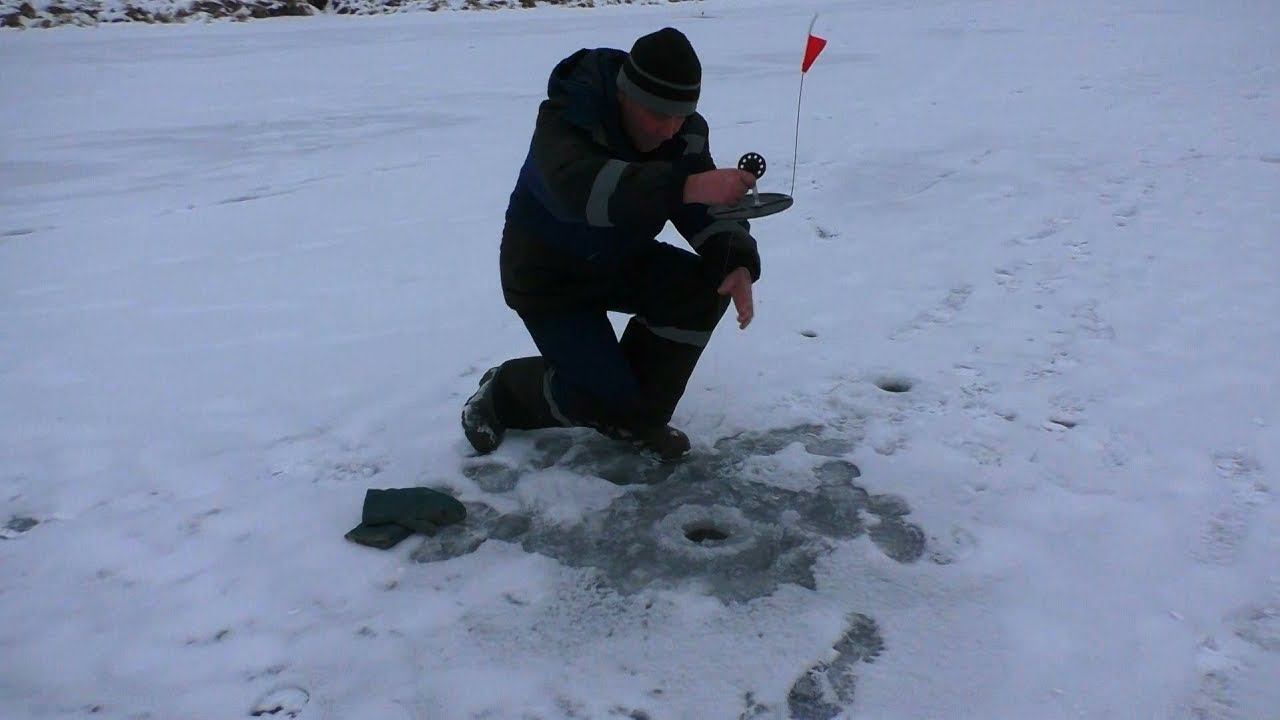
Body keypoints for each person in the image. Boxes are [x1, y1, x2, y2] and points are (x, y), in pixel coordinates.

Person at [462, 26, 762, 463]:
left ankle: (634, 417)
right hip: (547, 276)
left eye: (680, 115)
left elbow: (700, 208)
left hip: (619, 259)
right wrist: (688, 184)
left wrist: (736, 258)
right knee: (594, 399)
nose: (669, 128)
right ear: (624, 93)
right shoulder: (568, 117)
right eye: (657, 114)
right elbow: (583, 192)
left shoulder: (683, 132)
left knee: (704, 289)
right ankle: (505, 391)